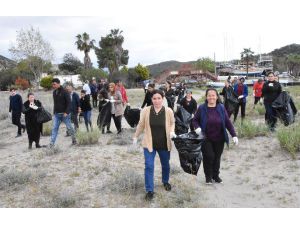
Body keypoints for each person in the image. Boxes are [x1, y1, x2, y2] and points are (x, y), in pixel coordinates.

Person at [133, 89, 176, 201]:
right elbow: (141, 124)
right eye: (154, 98)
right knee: (149, 166)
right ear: (151, 99)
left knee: (165, 165)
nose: (156, 101)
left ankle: (165, 181)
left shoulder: (168, 111)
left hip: (164, 143)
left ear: (163, 99)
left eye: (159, 98)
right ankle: (149, 190)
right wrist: (135, 136)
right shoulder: (146, 111)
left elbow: (172, 123)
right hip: (149, 144)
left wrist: (172, 131)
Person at [193, 88, 238, 184]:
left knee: (217, 157)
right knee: (209, 156)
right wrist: (197, 128)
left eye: (213, 95)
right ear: (206, 97)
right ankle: (208, 177)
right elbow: (195, 120)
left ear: (217, 97)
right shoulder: (202, 107)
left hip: (219, 137)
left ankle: (216, 175)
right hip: (205, 137)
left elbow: (227, 122)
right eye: (209, 95)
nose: (211, 97)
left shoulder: (221, 107)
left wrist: (234, 135)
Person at [49, 78, 76, 148]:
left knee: (69, 128)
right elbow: (55, 103)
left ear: (58, 83)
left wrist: (66, 112)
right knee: (54, 128)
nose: (53, 86)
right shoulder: (54, 92)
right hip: (57, 115)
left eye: (54, 84)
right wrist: (54, 112)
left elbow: (69, 103)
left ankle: (74, 139)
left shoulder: (65, 92)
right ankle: (51, 143)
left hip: (65, 115)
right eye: (52, 84)